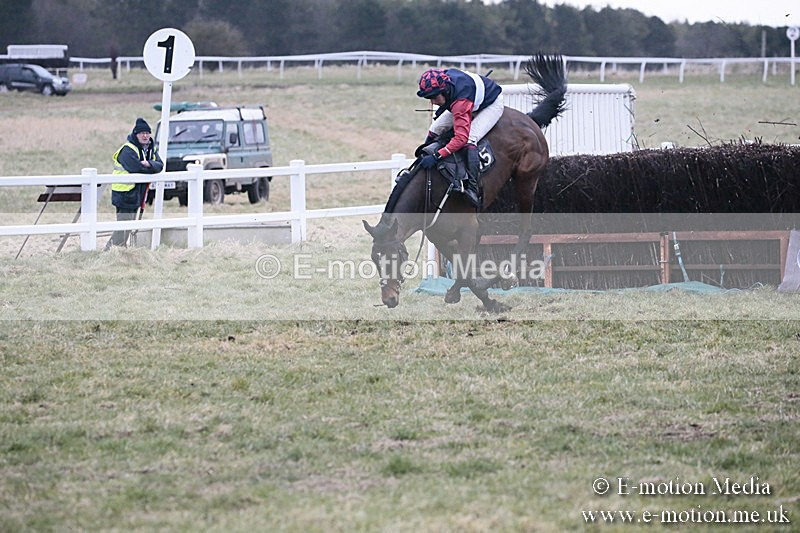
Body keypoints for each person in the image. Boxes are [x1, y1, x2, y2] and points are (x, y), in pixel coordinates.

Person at [415, 67, 504, 208]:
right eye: (429, 98)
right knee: (435, 129)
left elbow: (460, 139)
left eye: (434, 98)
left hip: (491, 104)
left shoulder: (460, 103)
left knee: (470, 139)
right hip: (466, 98)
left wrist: (437, 156)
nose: (432, 102)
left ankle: (473, 187)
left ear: (444, 91)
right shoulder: (444, 79)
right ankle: (419, 163)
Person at [105, 117, 164, 249]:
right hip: (124, 193)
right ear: (135, 134)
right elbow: (136, 168)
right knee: (122, 227)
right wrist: (151, 168)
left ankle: (117, 251)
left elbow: (160, 165)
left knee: (128, 226)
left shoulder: (151, 149)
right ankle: (110, 251)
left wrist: (148, 163)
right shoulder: (127, 150)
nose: (145, 136)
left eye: (147, 133)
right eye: (142, 133)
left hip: (136, 194)